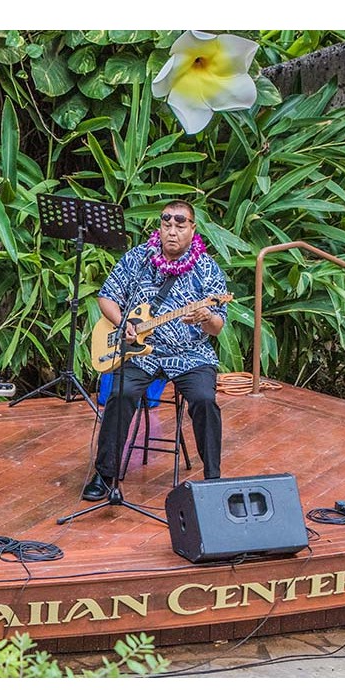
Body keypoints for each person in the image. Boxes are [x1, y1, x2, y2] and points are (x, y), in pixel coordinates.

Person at [84, 200, 228, 501]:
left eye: (180, 225)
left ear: (193, 229)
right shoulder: (139, 258)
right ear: (159, 227)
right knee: (120, 393)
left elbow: (217, 327)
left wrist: (206, 317)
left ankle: (213, 478)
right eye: (167, 224)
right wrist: (122, 323)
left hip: (190, 354)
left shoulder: (207, 268)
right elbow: (106, 297)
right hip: (141, 353)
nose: (172, 231)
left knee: (205, 400)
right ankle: (105, 474)